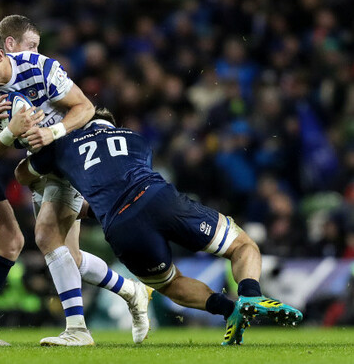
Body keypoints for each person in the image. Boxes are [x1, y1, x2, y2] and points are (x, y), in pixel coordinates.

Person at [0, 16, 152, 346]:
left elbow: (85, 106)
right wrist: (8, 131)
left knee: (43, 235)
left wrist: (52, 131)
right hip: (38, 166)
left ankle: (77, 330)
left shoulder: (38, 66)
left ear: (2, 54)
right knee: (66, 256)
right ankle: (131, 290)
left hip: (66, 154)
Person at [15, 107, 304, 345]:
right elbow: (125, 174)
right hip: (159, 199)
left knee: (170, 283)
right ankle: (251, 294)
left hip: (120, 225)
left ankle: (228, 310)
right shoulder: (137, 139)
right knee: (242, 245)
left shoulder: (66, 145)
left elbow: (23, 175)